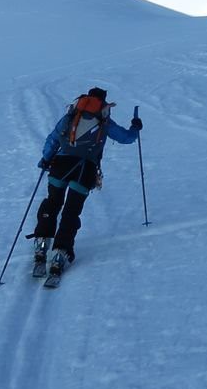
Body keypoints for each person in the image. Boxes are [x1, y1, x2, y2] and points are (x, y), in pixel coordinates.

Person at [30, 87, 142, 276]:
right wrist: (136, 126)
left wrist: (46, 159)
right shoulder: (104, 121)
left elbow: (53, 139)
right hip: (84, 169)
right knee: (71, 211)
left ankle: (42, 244)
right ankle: (60, 253)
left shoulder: (71, 116)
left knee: (52, 203)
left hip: (60, 165)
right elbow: (126, 138)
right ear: (103, 102)